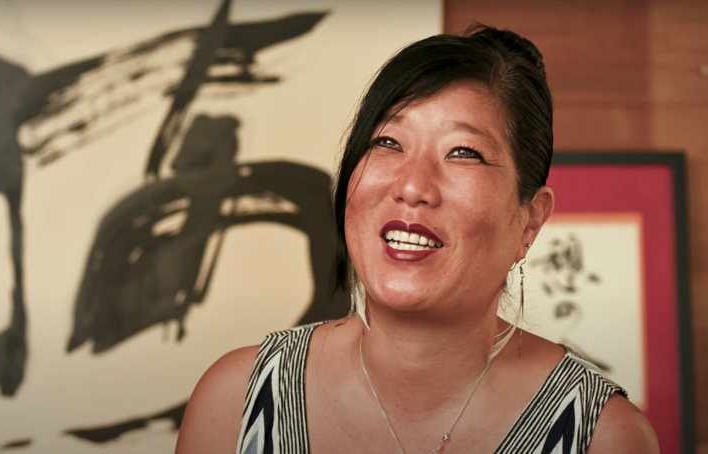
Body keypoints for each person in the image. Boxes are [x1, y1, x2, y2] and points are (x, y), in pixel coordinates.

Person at [175, 26, 659, 453]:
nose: (411, 187)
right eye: (387, 142)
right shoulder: (235, 403)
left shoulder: (602, 438)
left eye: (463, 152)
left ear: (529, 221)